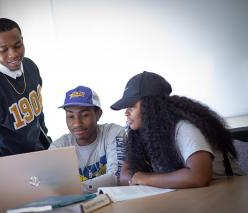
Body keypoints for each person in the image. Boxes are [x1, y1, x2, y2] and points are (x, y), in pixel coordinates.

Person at [110, 71, 245, 189]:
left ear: (151, 106)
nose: (126, 113)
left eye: (131, 106)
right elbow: (124, 176)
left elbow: (199, 176)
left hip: (230, 190)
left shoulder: (183, 127)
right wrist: (137, 178)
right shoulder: (143, 135)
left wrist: (146, 178)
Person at [0, 18, 51, 188]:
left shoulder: (30, 66)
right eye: (3, 50)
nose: (13, 54)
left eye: (17, 46)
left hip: (42, 161)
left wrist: (48, 143)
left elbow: (38, 114)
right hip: (13, 173)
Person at [49, 86, 126, 193]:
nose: (77, 123)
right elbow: (51, 187)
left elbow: (117, 176)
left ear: (98, 114)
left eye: (85, 115)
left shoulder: (113, 132)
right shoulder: (59, 147)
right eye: (71, 116)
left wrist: (77, 189)